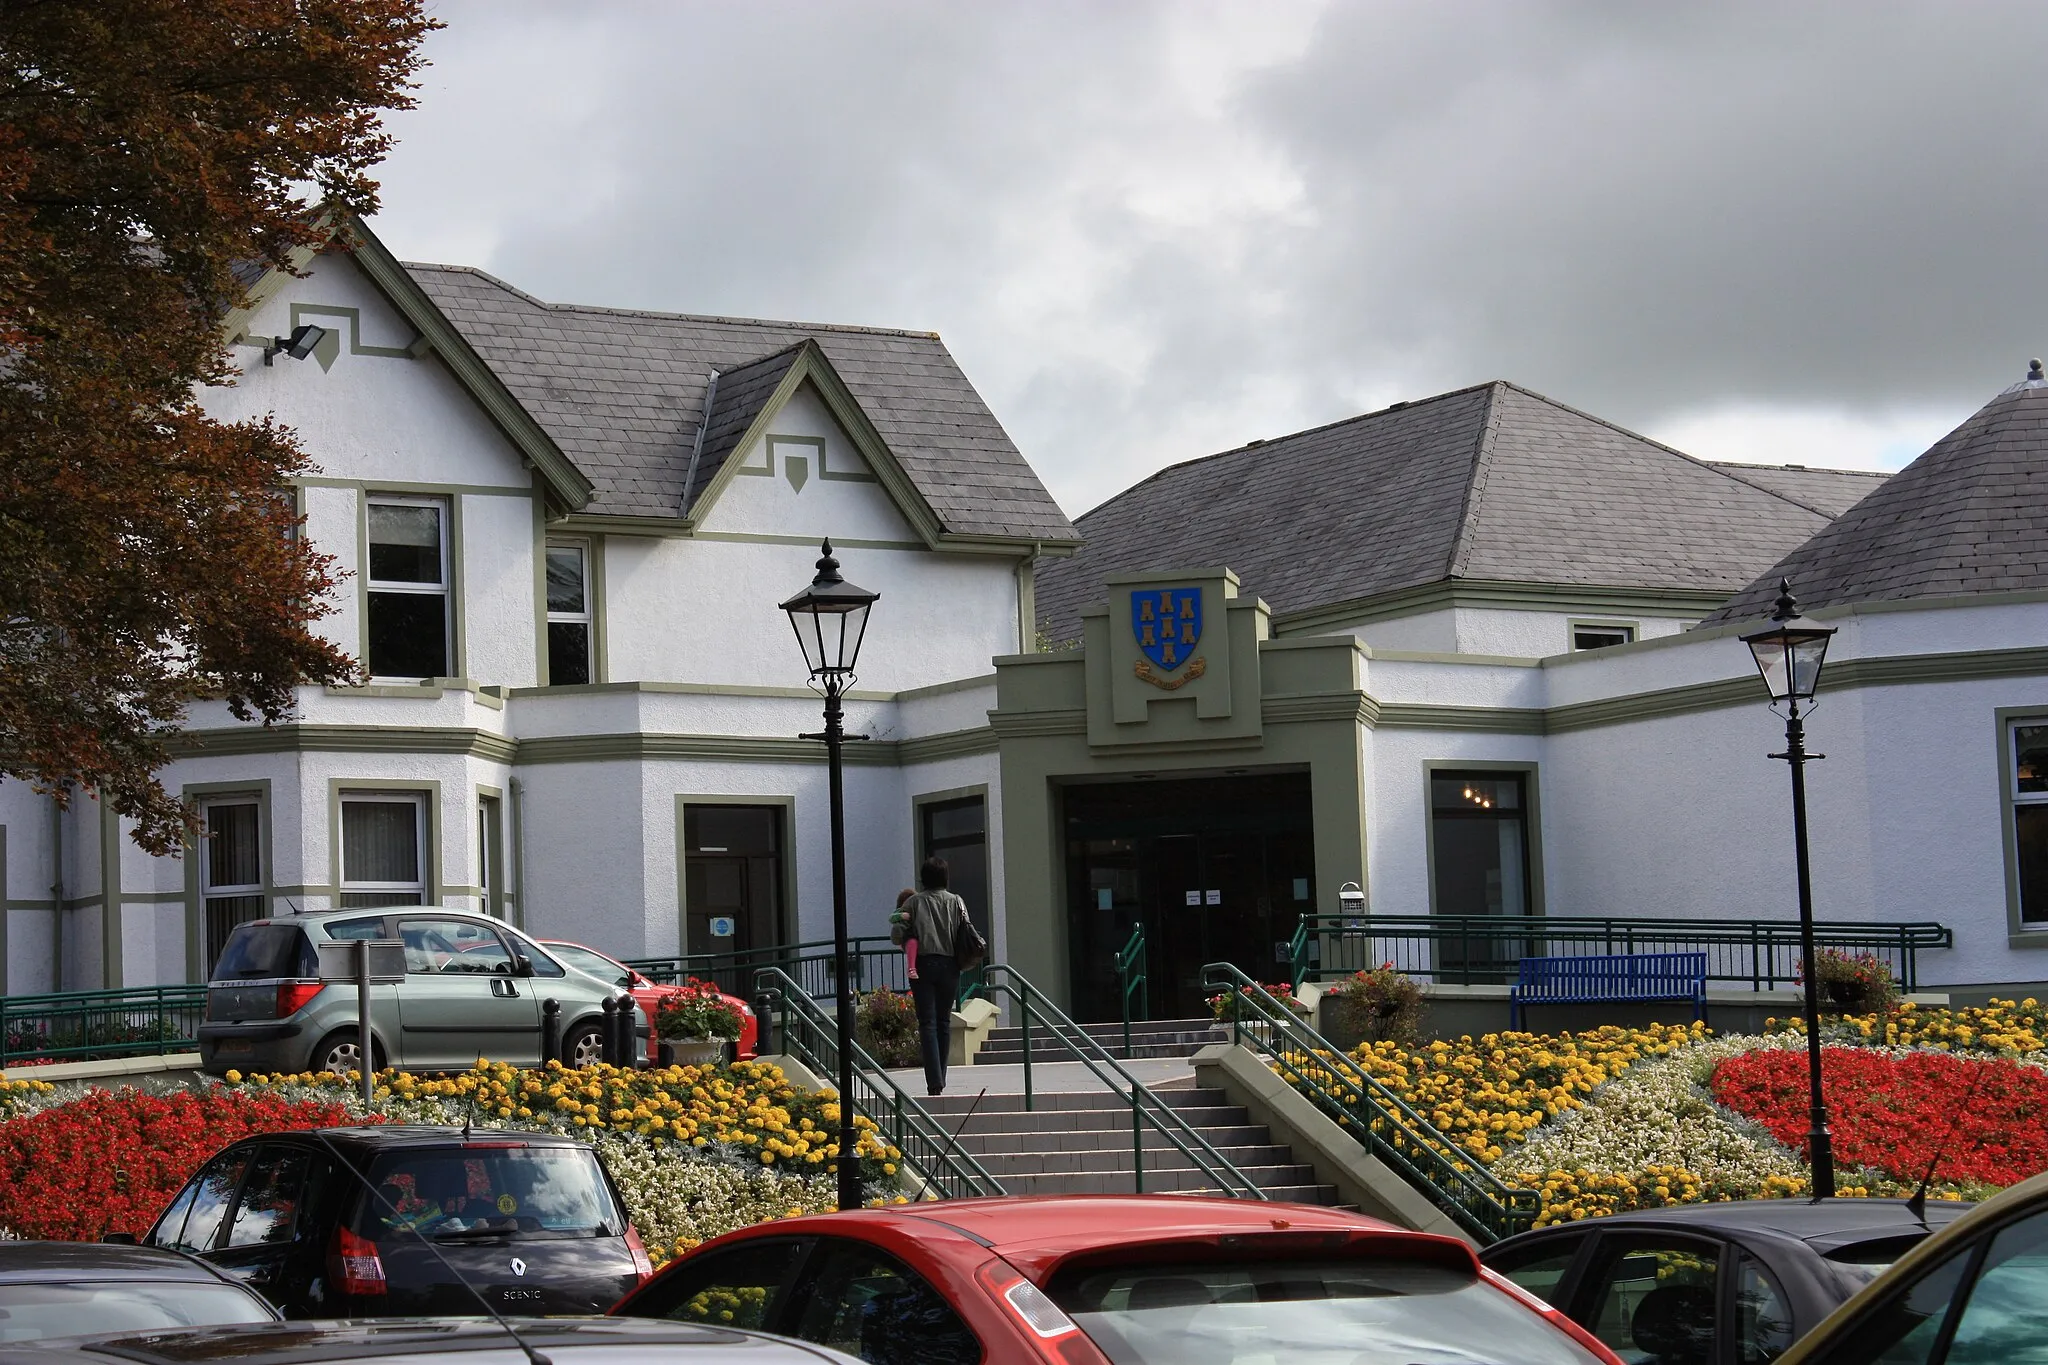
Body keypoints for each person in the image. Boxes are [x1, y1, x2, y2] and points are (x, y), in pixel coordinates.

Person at [903, 856, 969, 1097]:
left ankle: (934, 1082)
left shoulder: (914, 903)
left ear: (924, 877)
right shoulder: (956, 901)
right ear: (945, 877)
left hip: (923, 964)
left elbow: (896, 932)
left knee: (927, 1023)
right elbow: (966, 928)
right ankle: (941, 1075)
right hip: (950, 964)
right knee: (943, 1022)